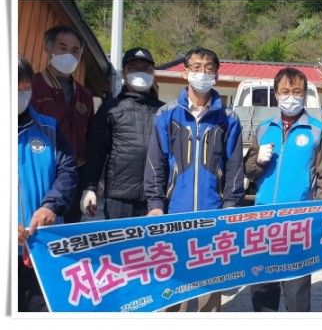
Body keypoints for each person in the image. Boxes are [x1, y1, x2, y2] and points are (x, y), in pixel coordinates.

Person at [144, 47, 245, 312]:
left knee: (209, 291)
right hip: (174, 214)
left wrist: (231, 205)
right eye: (196, 67)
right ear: (185, 72)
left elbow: (234, 166)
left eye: (208, 68)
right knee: (172, 291)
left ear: (217, 74)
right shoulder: (166, 115)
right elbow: (156, 163)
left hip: (214, 216)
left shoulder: (229, 118)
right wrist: (155, 204)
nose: (202, 73)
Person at [244, 68, 322, 312]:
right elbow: (249, 171)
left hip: (299, 221)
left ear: (305, 94)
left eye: (297, 92)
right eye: (285, 91)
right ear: (276, 95)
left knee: (296, 290)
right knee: (263, 285)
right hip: (263, 220)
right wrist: (258, 161)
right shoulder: (264, 128)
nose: (291, 97)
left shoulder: (317, 130)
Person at [17, 54, 78, 311]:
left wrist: (51, 205)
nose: (21, 94)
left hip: (41, 250)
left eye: (26, 87)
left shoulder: (48, 129)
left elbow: (67, 171)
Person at [80, 47, 164, 219]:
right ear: (124, 73)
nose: (140, 73)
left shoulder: (165, 110)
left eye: (146, 68)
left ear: (153, 72)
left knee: (155, 245)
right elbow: (96, 150)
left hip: (156, 197)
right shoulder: (111, 108)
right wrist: (89, 187)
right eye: (133, 68)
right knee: (122, 245)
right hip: (119, 197)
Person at [30, 25, 94, 224]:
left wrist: (91, 183)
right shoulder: (31, 87)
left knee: (68, 237)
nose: (69, 54)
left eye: (75, 50)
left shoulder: (85, 94)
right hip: (42, 173)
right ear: (48, 49)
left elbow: (90, 136)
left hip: (75, 175)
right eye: (63, 47)